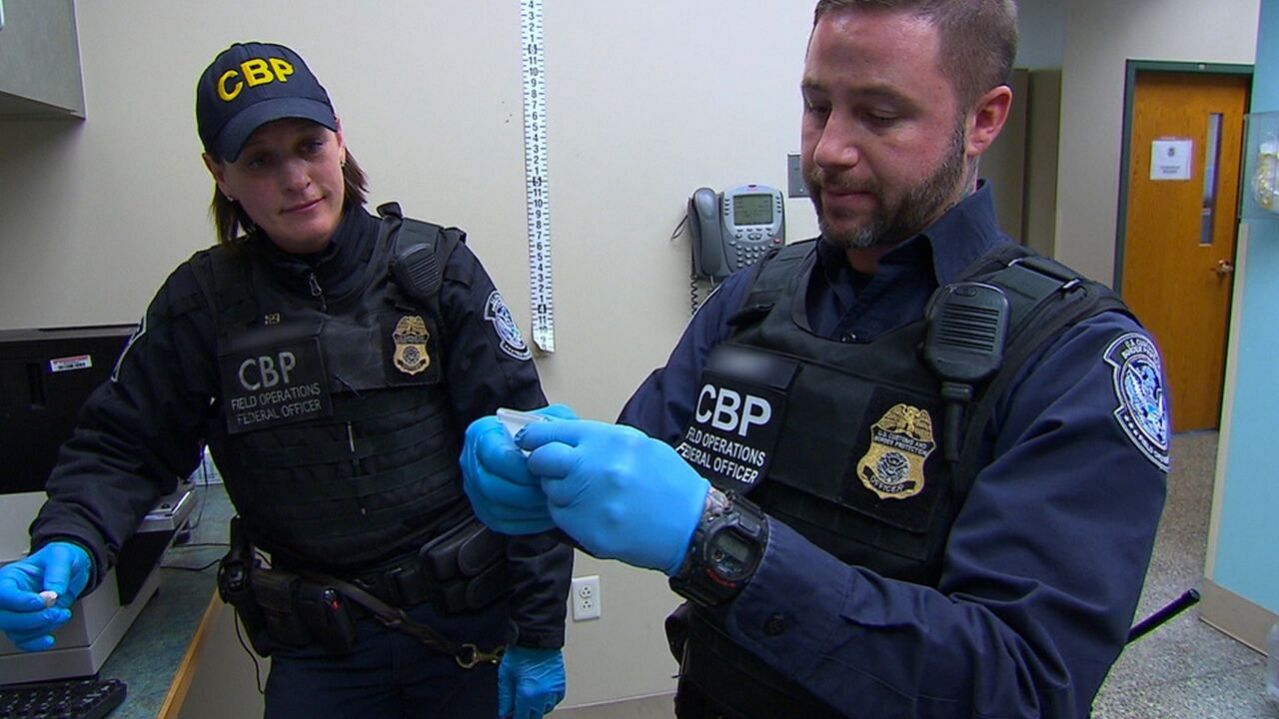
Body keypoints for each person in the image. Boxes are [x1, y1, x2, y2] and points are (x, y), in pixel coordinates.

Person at [460, 1, 1170, 717]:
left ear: (982, 120)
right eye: (816, 106)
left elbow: (1022, 687)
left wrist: (719, 545)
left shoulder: (1072, 357)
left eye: (879, 115)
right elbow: (644, 461)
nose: (827, 150)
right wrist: (549, 478)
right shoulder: (755, 297)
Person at [0, 41, 572, 719]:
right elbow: (122, 447)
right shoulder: (202, 305)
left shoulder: (434, 268)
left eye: (309, 145)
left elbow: (526, 451)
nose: (296, 178)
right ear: (220, 174)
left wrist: (540, 633)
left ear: (340, 141)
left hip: (463, 630)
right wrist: (69, 537)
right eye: (260, 161)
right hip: (321, 653)